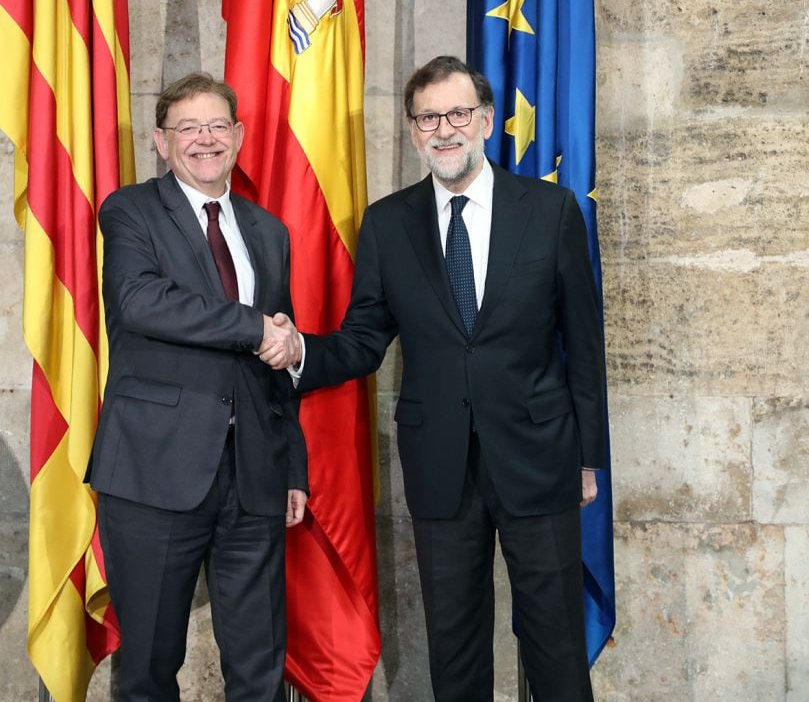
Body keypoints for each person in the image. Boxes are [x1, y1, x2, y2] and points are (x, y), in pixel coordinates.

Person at [288, 56, 607, 701]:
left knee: (555, 643)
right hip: (441, 465)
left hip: (540, 458)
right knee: (455, 648)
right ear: (412, 131)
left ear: (486, 121)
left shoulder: (550, 210)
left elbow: (584, 344)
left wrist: (589, 458)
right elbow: (362, 340)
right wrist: (296, 350)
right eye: (428, 117)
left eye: (458, 114)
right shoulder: (387, 223)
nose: (444, 129)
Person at [86, 72, 308, 702]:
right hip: (154, 471)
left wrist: (293, 465)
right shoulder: (129, 210)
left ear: (238, 136)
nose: (205, 140)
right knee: (151, 669)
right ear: (161, 142)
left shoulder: (268, 231)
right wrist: (255, 326)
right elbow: (140, 302)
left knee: (259, 667)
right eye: (188, 127)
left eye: (217, 126)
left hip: (255, 475)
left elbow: (276, 358)